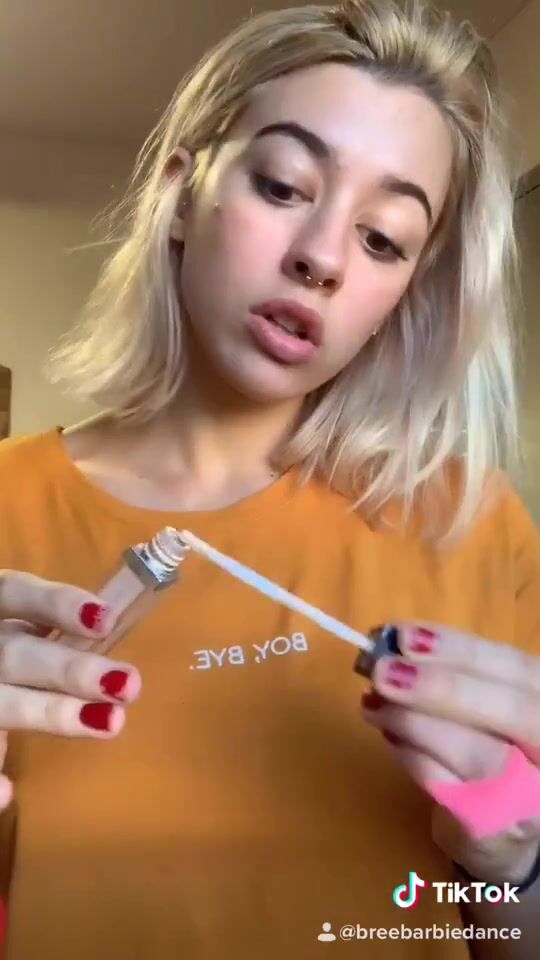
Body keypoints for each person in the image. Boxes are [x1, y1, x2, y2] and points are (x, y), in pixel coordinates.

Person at [0, 0, 539, 956]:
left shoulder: (472, 526)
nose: (322, 258)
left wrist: (517, 859)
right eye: (285, 185)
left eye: (383, 239)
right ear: (181, 193)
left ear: (402, 293)